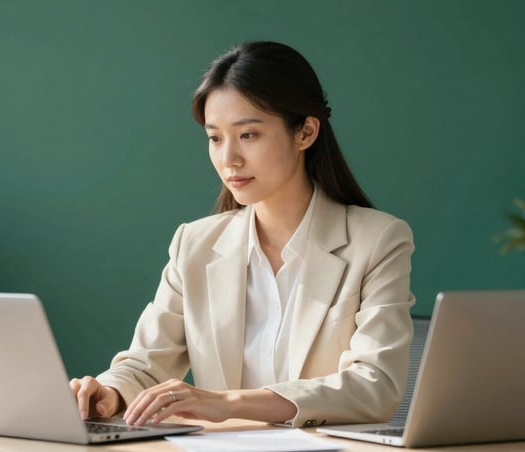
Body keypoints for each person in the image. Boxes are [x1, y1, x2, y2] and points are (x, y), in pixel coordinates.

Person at [70, 41, 415, 428]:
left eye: (248, 135)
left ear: (306, 132)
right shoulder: (194, 245)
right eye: (215, 138)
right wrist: (109, 393)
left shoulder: (378, 240)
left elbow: (374, 386)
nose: (228, 159)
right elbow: (145, 365)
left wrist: (230, 403)